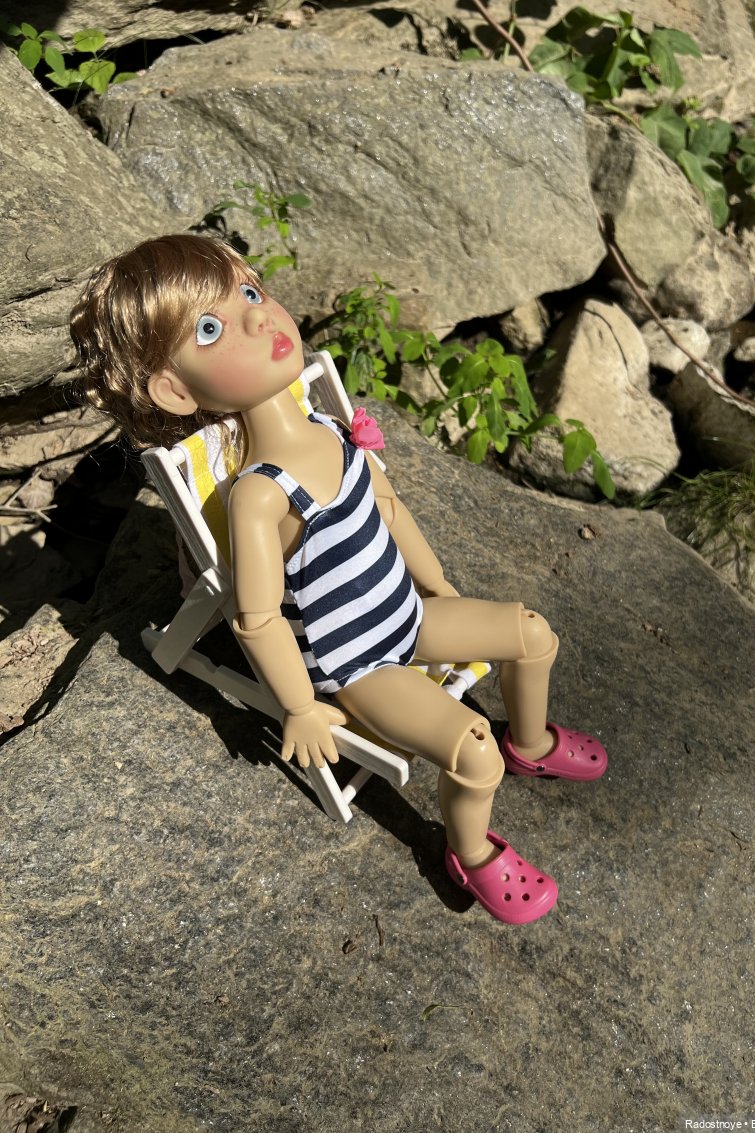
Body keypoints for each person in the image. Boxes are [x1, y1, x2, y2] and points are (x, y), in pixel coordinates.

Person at [70, 233, 608, 924]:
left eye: (250, 292)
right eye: (210, 329)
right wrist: (298, 706)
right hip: (356, 666)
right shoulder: (260, 493)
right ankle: (470, 854)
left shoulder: (328, 424)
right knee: (474, 752)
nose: (257, 315)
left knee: (531, 633)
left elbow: (389, 506)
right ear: (175, 390)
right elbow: (257, 618)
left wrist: (437, 582)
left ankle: (529, 743)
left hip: (406, 613)